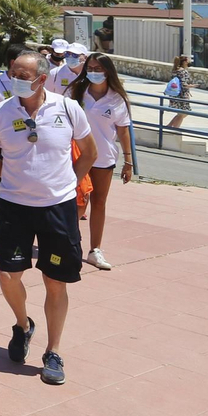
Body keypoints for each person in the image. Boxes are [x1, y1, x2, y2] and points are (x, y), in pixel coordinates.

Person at [0, 50, 97, 386]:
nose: (15, 78)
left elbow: (89, 152)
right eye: (12, 71)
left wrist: (67, 183)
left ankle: (53, 351)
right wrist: (18, 179)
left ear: (42, 79)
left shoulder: (68, 108)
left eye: (23, 74)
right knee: (8, 274)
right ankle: (23, 324)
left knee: (55, 280)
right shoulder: (0, 113)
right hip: (14, 206)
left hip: (58, 208)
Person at [69, 53, 133, 271]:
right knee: (76, 202)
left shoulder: (117, 99)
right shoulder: (75, 93)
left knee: (98, 202)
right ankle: (69, 243)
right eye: (91, 68)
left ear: (108, 71)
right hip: (75, 157)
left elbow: (123, 131)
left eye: (99, 69)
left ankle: (95, 249)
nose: (94, 72)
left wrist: (128, 161)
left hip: (103, 158)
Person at [166, 54, 194, 128]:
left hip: (174, 94)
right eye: (188, 61)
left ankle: (169, 126)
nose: (189, 63)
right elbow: (184, 84)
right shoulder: (183, 71)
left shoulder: (175, 70)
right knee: (183, 113)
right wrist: (192, 86)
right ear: (184, 62)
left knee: (180, 113)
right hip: (182, 95)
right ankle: (175, 129)